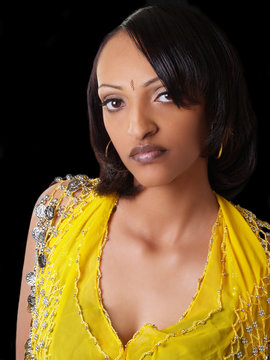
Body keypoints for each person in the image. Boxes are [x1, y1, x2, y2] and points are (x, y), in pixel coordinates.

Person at [17, 3, 270, 359]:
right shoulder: (59, 214)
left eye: (164, 94)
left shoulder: (260, 269)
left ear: (215, 103)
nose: (138, 127)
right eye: (115, 101)